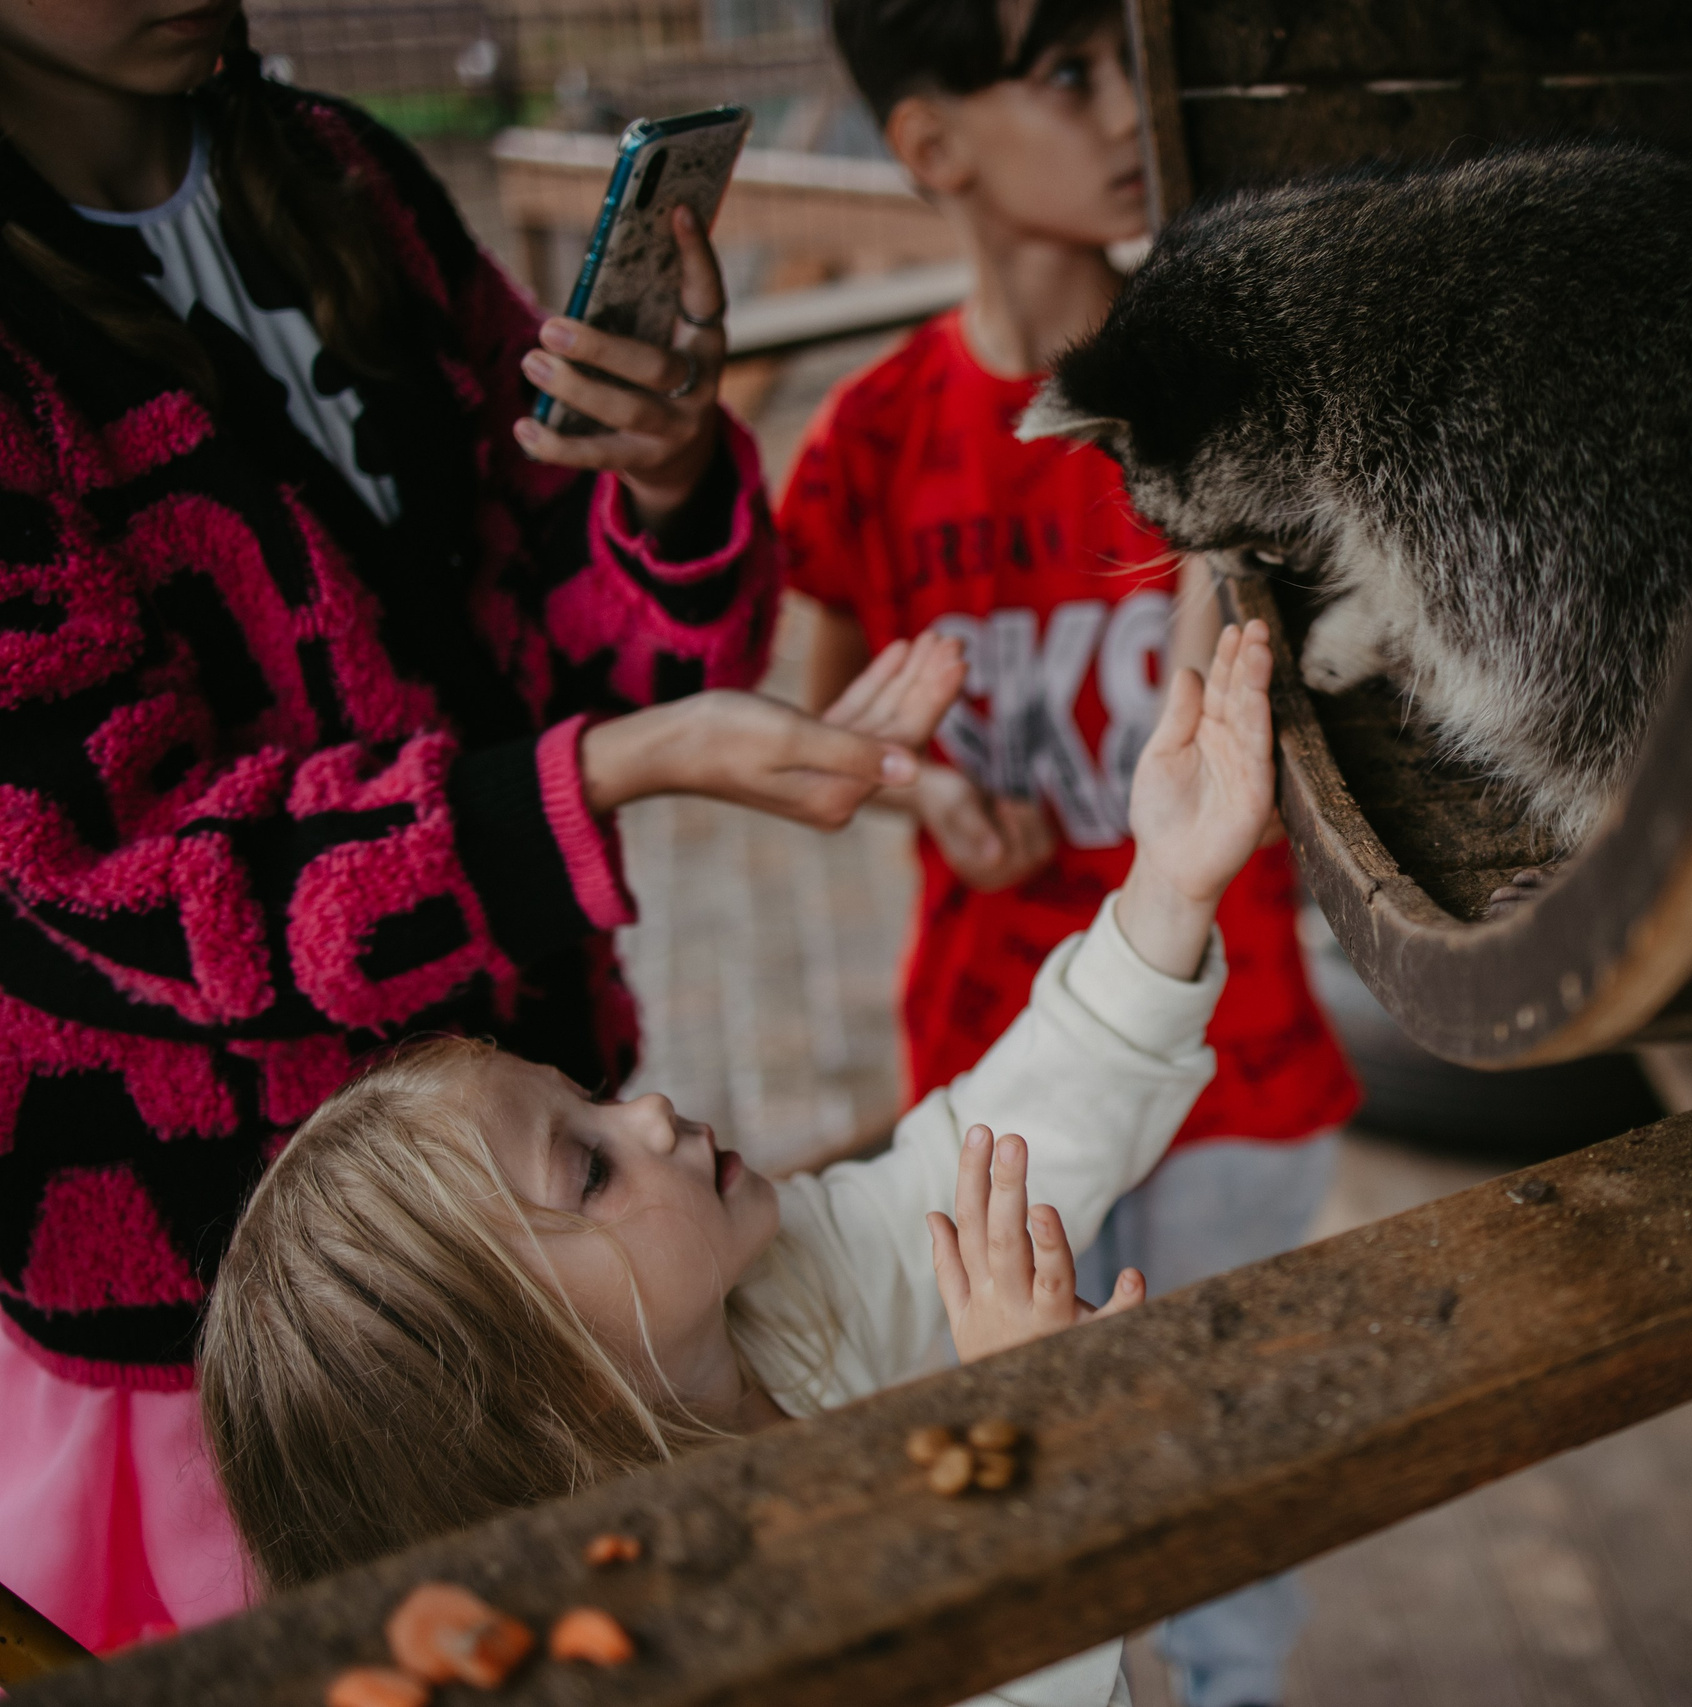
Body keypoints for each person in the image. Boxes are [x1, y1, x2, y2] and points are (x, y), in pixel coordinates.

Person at [0, 0, 959, 1655]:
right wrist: (589, 782)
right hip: (233, 1319)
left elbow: (567, 622)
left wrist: (659, 478)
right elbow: (102, 873)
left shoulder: (338, 175)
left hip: (552, 1232)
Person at [201, 619, 1284, 1707]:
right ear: (542, 1393)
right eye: (589, 1169)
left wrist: (1167, 894)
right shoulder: (678, 1653)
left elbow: (978, 1164)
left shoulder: (764, 1301)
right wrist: (1024, 1448)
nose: (653, 1113)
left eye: (593, 1103)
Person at [776, 6, 1359, 1702]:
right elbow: (828, 734)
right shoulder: (874, 437)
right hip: (996, 1074)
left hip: (1236, 1050)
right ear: (931, 146)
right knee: (1024, 1472)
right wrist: (922, 789)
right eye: (1064, 75)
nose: (1128, 112)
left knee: (1226, 1469)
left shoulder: (1223, 392)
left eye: (1126, 59)